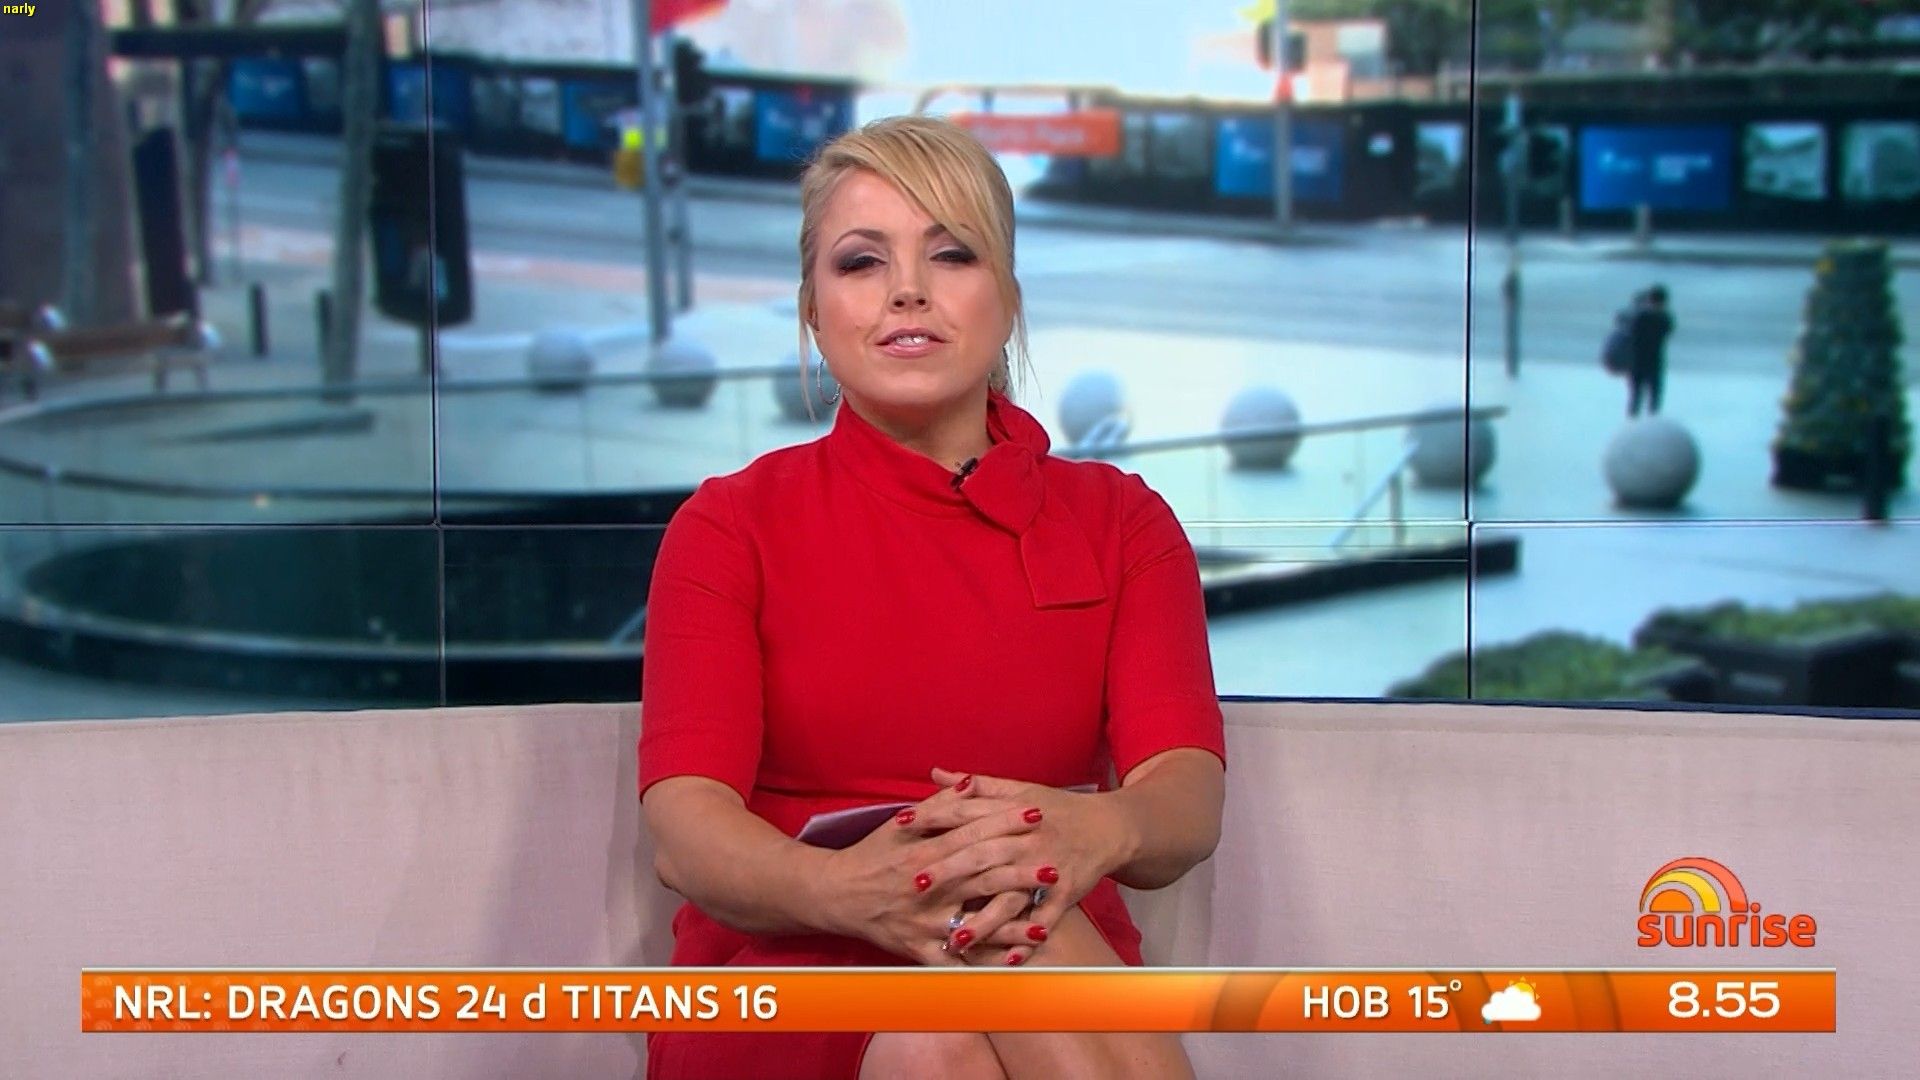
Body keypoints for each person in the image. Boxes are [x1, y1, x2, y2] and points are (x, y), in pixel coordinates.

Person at [638, 115, 1228, 1079]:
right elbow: (687, 831)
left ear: (1007, 299)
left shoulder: (1122, 523)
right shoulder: (729, 527)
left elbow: (1184, 800)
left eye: (952, 254)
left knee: (1000, 913)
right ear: (813, 310)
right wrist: (848, 890)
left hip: (1044, 932)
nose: (907, 289)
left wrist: (1090, 830)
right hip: (790, 955)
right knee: (944, 1020)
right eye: (861, 262)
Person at [1627, 284, 1675, 417]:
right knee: (1650, 398)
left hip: (1641, 361)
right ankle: (1646, 422)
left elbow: (1630, 330)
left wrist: (1639, 306)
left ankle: (1635, 423)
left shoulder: (1643, 317)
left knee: (1639, 397)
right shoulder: (1663, 318)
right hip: (1651, 361)